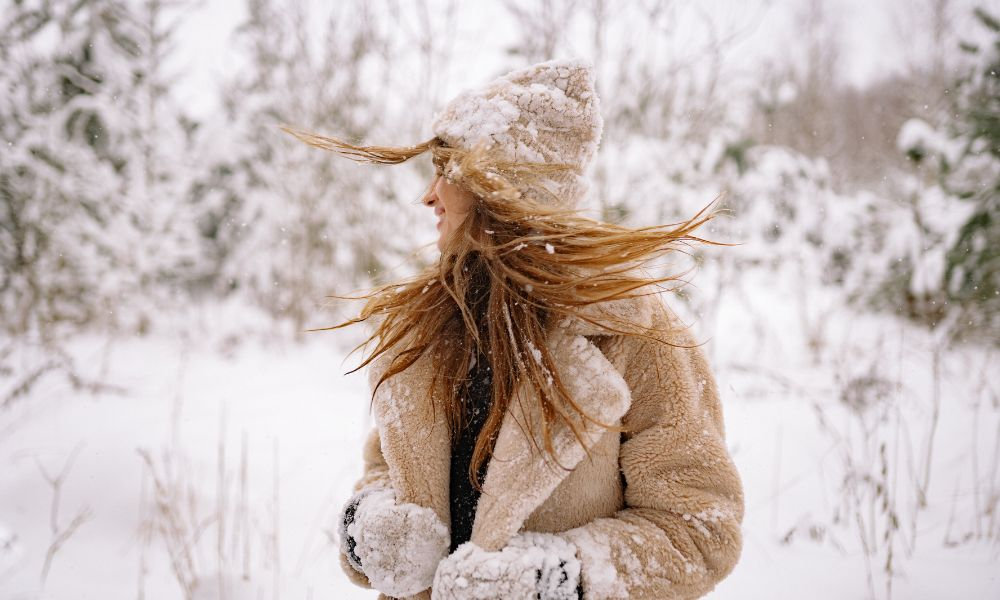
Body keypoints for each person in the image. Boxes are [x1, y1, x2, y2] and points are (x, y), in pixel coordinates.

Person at [282, 58, 744, 600]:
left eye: (447, 173)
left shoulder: (633, 334)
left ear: (503, 190)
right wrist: (372, 530)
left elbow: (700, 529)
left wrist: (554, 579)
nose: (429, 195)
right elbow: (384, 471)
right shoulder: (426, 331)